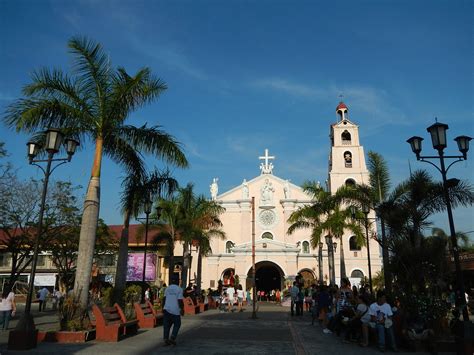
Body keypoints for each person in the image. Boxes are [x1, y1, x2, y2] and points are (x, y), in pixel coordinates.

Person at [163, 276, 184, 346]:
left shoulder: (167, 288)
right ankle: (172, 337)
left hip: (166, 309)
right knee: (177, 324)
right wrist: (182, 309)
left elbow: (164, 298)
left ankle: (166, 339)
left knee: (167, 325)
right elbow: (180, 300)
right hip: (175, 310)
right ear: (178, 282)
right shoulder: (179, 289)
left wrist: (162, 308)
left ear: (171, 281)